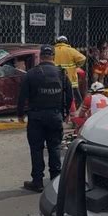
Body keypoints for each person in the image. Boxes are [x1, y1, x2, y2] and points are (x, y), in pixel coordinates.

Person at [17, 45, 73, 193]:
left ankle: (37, 182)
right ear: (53, 57)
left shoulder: (31, 74)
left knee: (36, 149)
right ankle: (55, 181)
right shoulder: (61, 73)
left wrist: (20, 114)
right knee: (54, 148)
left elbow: (22, 96)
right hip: (55, 116)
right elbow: (70, 95)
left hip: (36, 117)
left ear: (40, 57)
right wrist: (67, 112)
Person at [54, 36, 86, 107]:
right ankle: (81, 110)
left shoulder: (53, 50)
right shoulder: (71, 50)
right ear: (66, 42)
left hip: (56, 79)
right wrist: (77, 65)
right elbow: (83, 58)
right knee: (76, 97)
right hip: (71, 79)